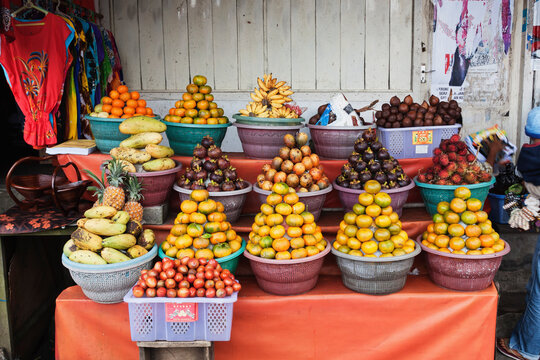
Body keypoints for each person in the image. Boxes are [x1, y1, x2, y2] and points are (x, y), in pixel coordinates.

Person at [497, 107, 540, 360]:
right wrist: (522, 203)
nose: (533, 146)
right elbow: (524, 185)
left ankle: (527, 349)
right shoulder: (531, 161)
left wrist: (529, 206)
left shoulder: (533, 159)